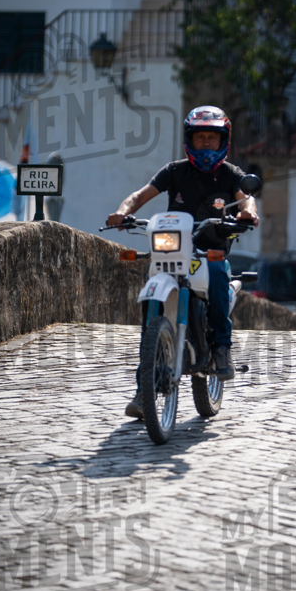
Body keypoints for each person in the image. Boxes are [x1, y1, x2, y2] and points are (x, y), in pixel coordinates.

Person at [107, 106, 259, 420]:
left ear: (222, 142)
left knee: (218, 274)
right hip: (173, 250)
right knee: (150, 312)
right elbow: (139, 196)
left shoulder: (230, 174)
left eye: (211, 138)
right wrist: (122, 211)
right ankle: (143, 386)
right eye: (200, 137)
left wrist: (248, 212)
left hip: (210, 252)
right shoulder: (174, 171)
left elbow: (246, 198)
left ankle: (221, 347)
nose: (205, 143)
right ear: (189, 139)